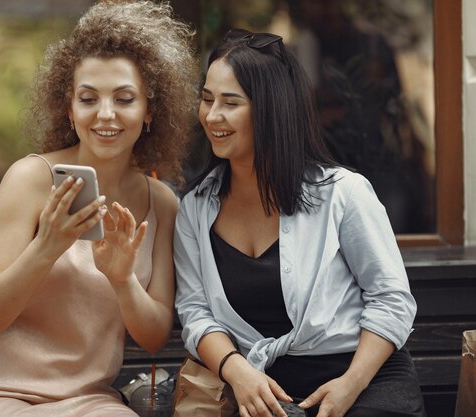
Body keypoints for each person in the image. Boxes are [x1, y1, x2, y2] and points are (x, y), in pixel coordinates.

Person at [0, 1, 198, 416]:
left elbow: (152, 337)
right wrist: (48, 247)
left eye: (125, 99)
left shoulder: (161, 202)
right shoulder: (31, 179)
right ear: (70, 108)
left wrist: (123, 279)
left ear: (149, 110)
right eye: (88, 98)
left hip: (86, 400)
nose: (105, 114)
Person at [174, 28, 426, 417]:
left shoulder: (343, 193)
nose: (212, 116)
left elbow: (390, 300)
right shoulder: (195, 207)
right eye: (206, 100)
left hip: (362, 382)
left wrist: (350, 385)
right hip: (263, 390)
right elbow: (195, 312)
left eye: (230, 102)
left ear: (270, 109)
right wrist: (237, 371)